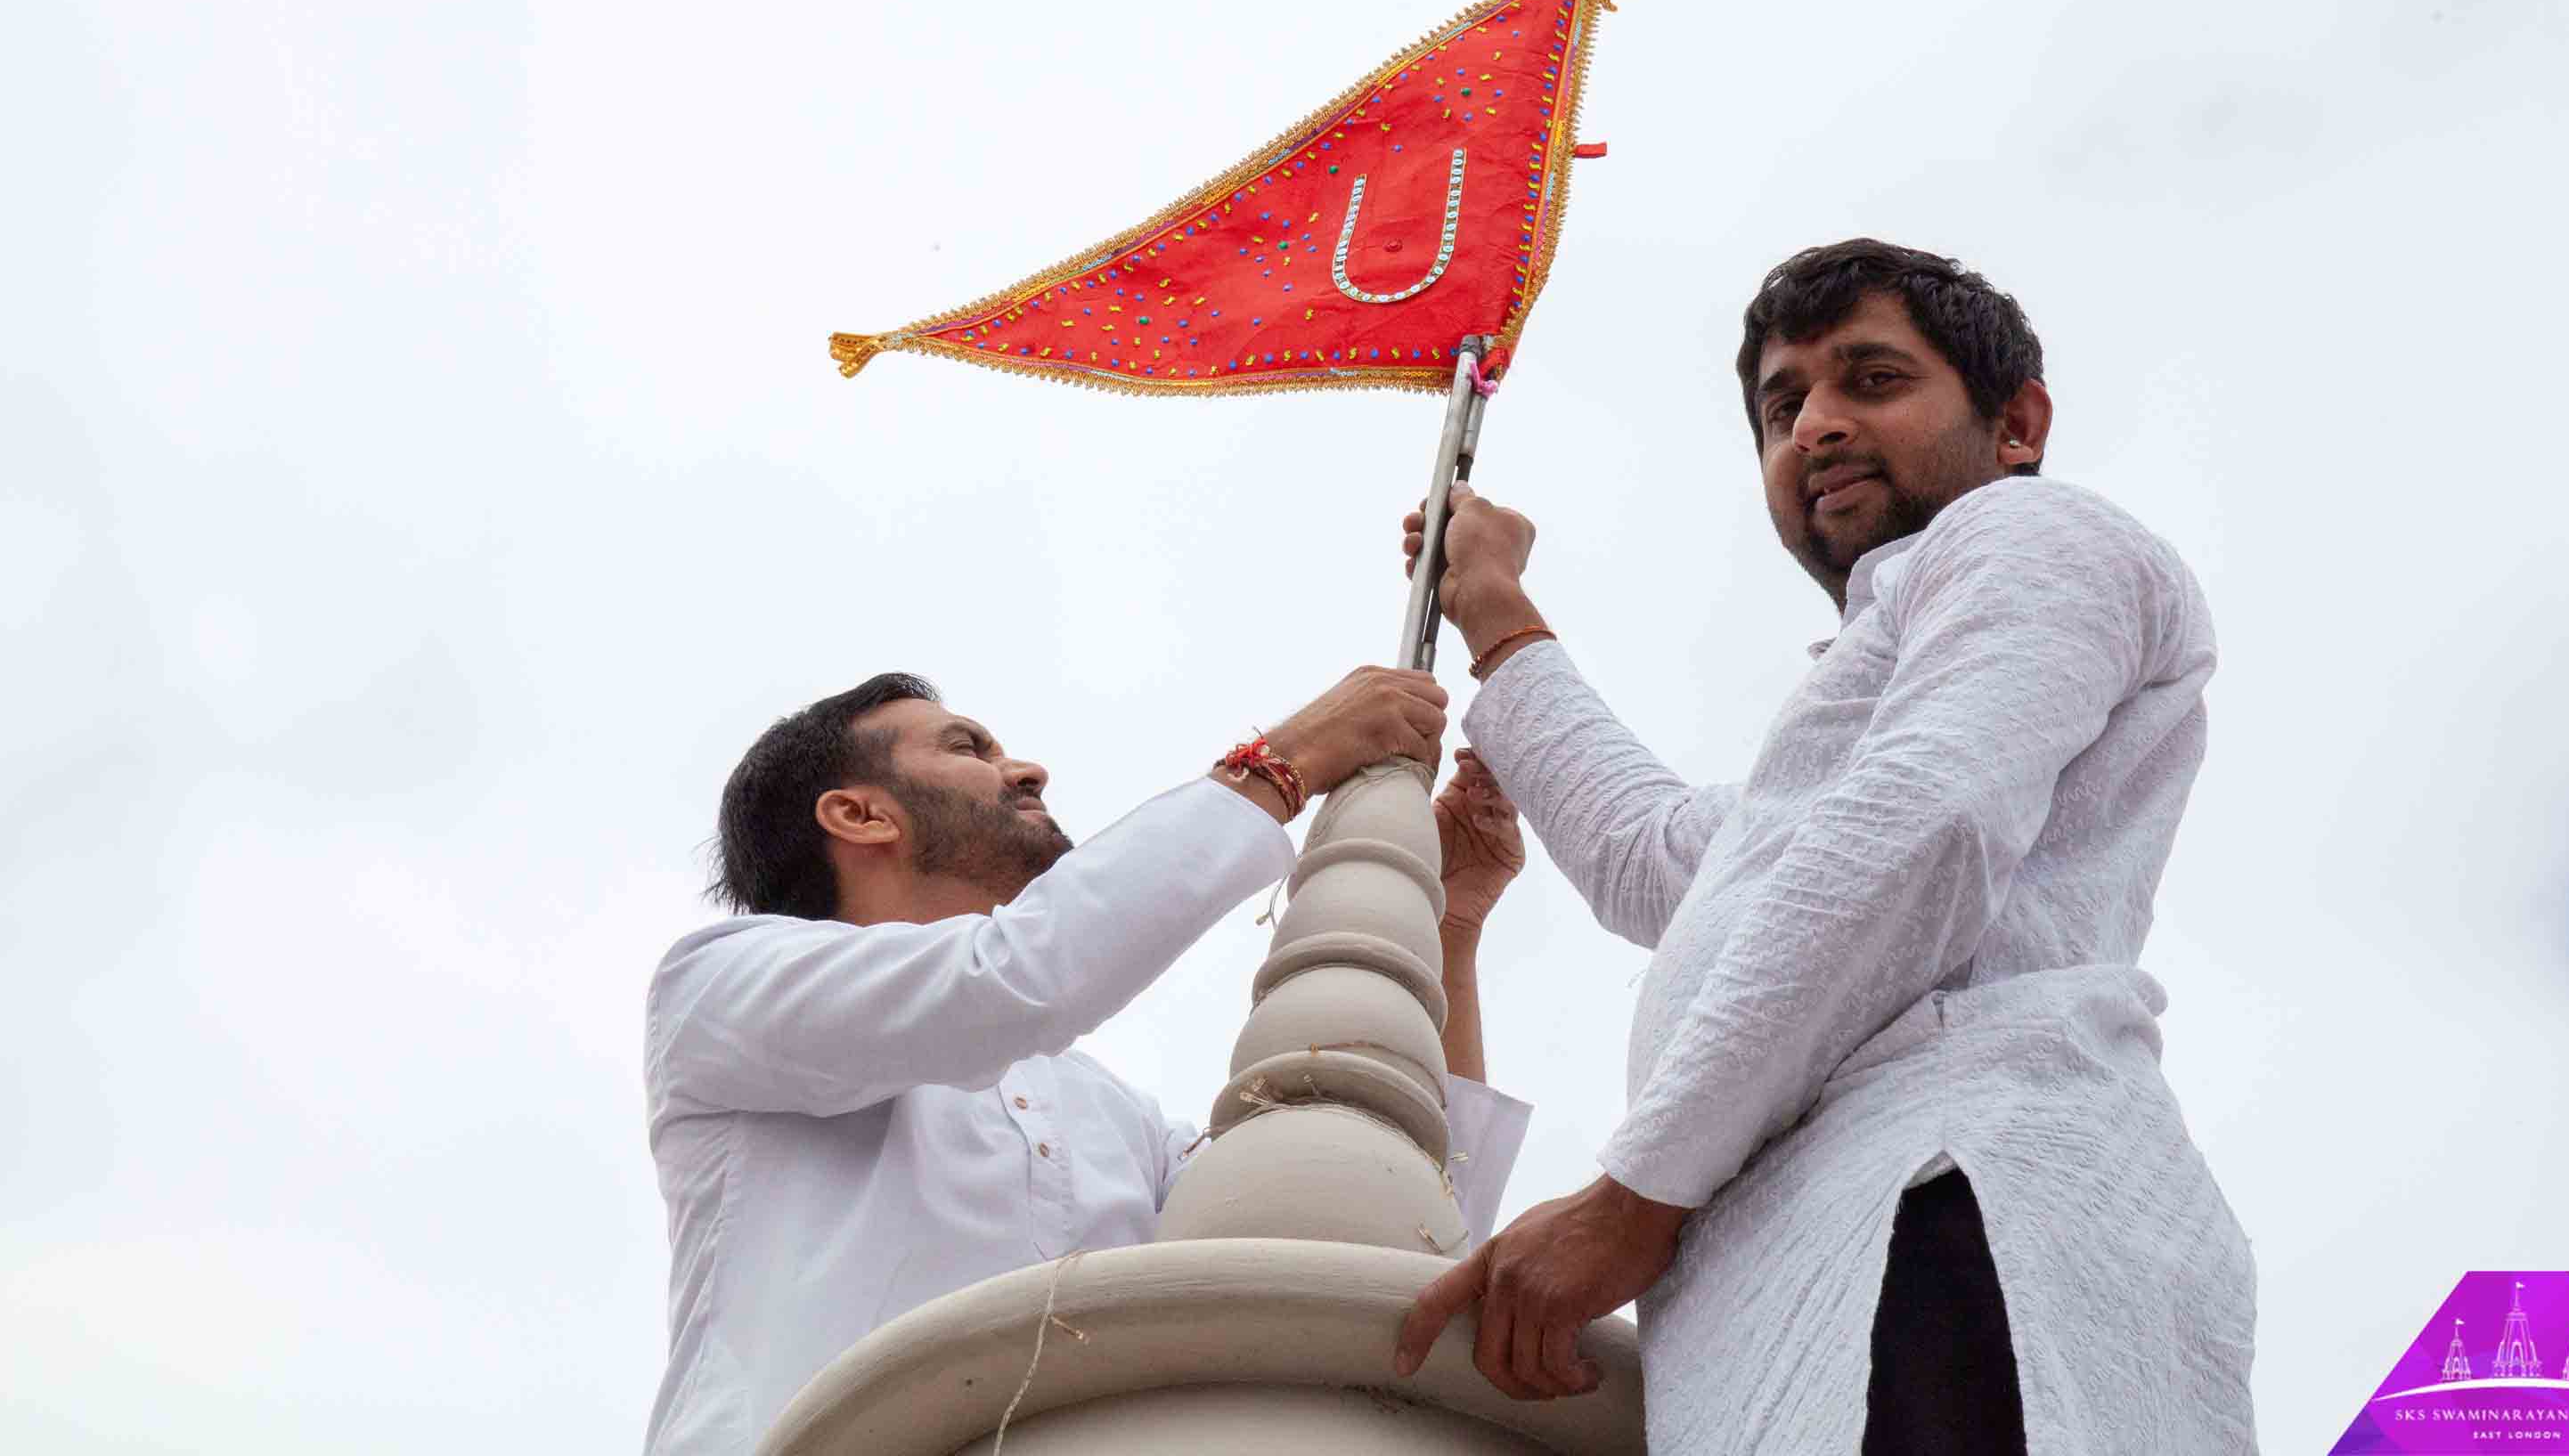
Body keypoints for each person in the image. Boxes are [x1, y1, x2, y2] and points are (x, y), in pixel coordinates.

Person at [1393, 240, 2258, 1453]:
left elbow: (1921, 828)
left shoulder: (2033, 535)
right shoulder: (1855, 712)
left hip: (1952, 1196)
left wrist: (1634, 1195)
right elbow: (1660, 860)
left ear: (2017, 423)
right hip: (1828, 1267)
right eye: (1783, 406)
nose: (1815, 429)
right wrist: (1491, 606)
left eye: (1871, 382)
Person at [644, 664, 1533, 1456]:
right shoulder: (718, 989)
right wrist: (1284, 758)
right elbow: (1012, 980)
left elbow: (1383, 1226)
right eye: (967, 746)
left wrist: (1443, 926)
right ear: (859, 812)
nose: (1025, 768)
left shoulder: (1109, 1116)